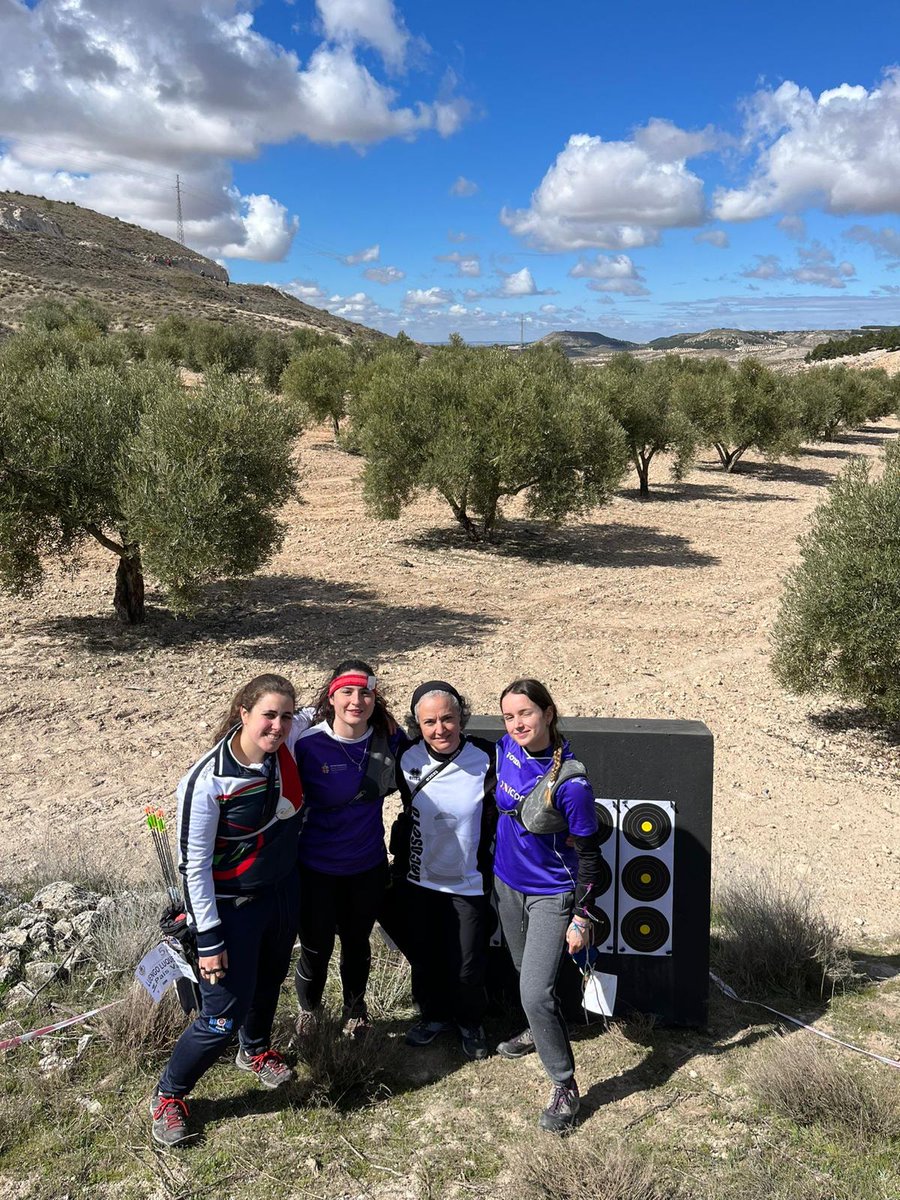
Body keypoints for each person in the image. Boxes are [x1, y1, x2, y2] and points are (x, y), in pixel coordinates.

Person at [150, 674, 306, 1148]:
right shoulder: (206, 781)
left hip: (281, 896)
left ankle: (255, 1051)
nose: (278, 726)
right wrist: (211, 940)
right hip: (230, 910)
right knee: (220, 1016)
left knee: (268, 981)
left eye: (285, 716)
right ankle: (168, 1095)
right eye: (268, 715)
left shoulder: (284, 750)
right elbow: (192, 867)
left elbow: (340, 710)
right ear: (243, 712)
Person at [493, 678, 604, 1134]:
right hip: (506, 885)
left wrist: (582, 915)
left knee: (536, 991)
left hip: (551, 895)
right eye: (509, 715)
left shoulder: (571, 784)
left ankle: (564, 1085)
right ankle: (537, 1032)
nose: (517, 723)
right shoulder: (506, 747)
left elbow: (591, 856)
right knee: (526, 977)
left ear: (548, 713)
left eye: (526, 713)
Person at [293, 659, 407, 1036]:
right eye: (347, 692)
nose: (356, 700)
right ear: (332, 696)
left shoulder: (388, 738)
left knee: (357, 942)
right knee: (316, 946)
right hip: (316, 866)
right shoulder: (307, 743)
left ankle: (355, 1011)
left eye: (365, 693)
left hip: (366, 865)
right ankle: (309, 1011)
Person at [394, 681, 497, 1060]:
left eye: (448, 719)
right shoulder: (405, 758)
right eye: (430, 722)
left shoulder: (489, 757)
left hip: (469, 883)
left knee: (468, 964)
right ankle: (433, 1017)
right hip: (418, 880)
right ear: (417, 726)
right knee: (424, 958)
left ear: (461, 718)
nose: (440, 729)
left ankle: (471, 1023)